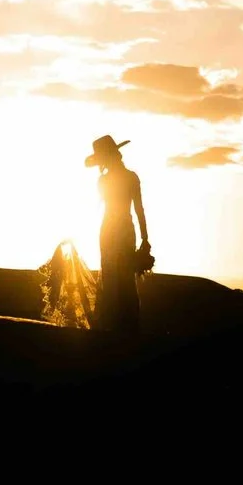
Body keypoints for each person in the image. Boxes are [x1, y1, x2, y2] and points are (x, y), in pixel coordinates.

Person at [84, 134, 150, 338]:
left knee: (113, 277)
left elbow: (136, 209)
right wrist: (145, 238)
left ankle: (114, 326)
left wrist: (145, 239)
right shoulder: (131, 177)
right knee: (123, 278)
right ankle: (125, 326)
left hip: (111, 230)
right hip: (123, 230)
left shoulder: (104, 180)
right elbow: (139, 210)